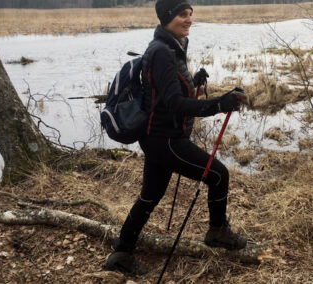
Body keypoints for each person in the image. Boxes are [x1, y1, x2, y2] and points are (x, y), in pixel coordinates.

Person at [105, 0, 247, 275]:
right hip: (166, 139)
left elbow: (166, 92)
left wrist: (194, 81)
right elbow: (173, 104)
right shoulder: (162, 51)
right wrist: (220, 103)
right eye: (183, 14)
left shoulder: (172, 46)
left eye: (191, 14)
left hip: (158, 137)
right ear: (168, 17)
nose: (189, 19)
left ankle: (121, 253)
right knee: (218, 176)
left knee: (149, 196)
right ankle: (217, 232)